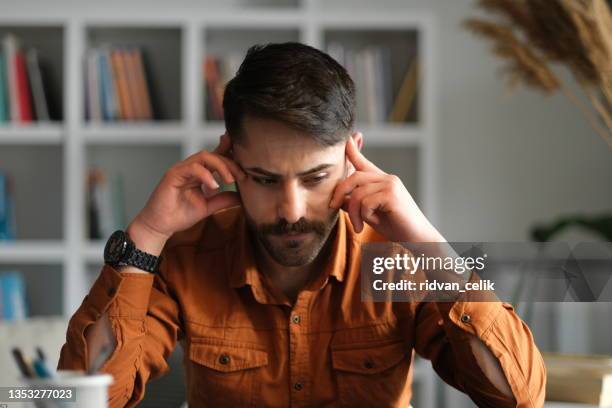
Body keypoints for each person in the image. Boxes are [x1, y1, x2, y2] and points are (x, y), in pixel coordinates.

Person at [58, 42, 546, 407]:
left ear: (353, 154)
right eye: (264, 179)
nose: (290, 209)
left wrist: (429, 244)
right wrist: (146, 235)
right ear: (229, 157)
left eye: (315, 178)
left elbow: (518, 397)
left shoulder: (399, 259)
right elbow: (88, 399)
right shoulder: (187, 255)